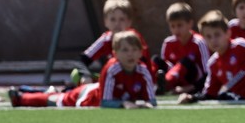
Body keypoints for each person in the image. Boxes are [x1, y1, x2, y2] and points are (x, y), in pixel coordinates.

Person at [10, 30, 156, 109]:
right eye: (125, 50)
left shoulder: (143, 71)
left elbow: (152, 101)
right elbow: (105, 102)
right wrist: (123, 104)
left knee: (57, 95)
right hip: (88, 96)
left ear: (141, 52)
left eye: (134, 50)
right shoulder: (112, 69)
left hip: (96, 90)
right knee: (55, 100)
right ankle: (21, 98)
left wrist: (144, 104)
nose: (130, 54)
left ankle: (37, 90)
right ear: (115, 53)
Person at [80, 0, 155, 78]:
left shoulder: (134, 38)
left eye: (121, 19)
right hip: (116, 80)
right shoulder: (105, 39)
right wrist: (85, 75)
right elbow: (83, 59)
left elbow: (142, 64)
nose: (117, 24)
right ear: (105, 22)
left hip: (140, 79)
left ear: (129, 22)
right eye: (113, 19)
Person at [159, 2, 210, 95]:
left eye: (179, 25)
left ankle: (165, 83)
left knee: (185, 62)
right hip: (175, 81)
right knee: (156, 61)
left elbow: (208, 72)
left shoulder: (199, 42)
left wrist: (190, 87)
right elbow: (164, 66)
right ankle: (160, 84)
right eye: (172, 26)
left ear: (190, 23)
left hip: (194, 83)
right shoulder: (168, 43)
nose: (176, 30)